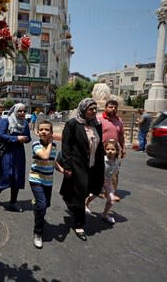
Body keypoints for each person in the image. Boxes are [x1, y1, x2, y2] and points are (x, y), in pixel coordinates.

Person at [58, 98, 104, 241]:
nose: (94, 112)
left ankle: (71, 203)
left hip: (93, 165)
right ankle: (79, 225)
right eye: (91, 109)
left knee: (89, 189)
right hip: (77, 165)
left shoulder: (97, 125)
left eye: (95, 109)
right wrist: (67, 166)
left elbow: (99, 144)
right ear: (83, 109)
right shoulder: (72, 124)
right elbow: (66, 147)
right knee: (80, 194)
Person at [29, 120, 63, 248]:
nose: (44, 131)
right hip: (36, 178)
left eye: (47, 130)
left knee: (45, 204)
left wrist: (62, 170)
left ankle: (36, 204)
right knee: (42, 205)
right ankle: (38, 233)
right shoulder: (36, 144)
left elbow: (52, 160)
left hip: (48, 180)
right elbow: (44, 156)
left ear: (51, 133)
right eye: (41, 129)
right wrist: (49, 143)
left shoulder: (53, 146)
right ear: (37, 132)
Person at [0, 103, 31, 212]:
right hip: (8, 153)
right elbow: (0, 135)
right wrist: (16, 138)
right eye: (20, 111)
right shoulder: (7, 121)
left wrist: (25, 139)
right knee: (6, 175)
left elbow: (28, 138)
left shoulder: (25, 124)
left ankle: (13, 202)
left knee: (17, 178)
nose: (22, 113)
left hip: (19, 153)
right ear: (15, 111)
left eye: (24, 111)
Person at [85, 139, 120, 224]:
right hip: (99, 180)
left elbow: (114, 176)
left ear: (116, 151)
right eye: (108, 149)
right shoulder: (102, 160)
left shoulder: (117, 162)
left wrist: (113, 189)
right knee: (94, 194)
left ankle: (105, 214)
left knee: (111, 200)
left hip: (108, 183)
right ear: (105, 150)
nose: (110, 151)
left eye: (112, 149)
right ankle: (85, 205)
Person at [97, 99, 125, 201]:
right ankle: (98, 190)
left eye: (115, 107)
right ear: (105, 108)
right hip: (101, 151)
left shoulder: (119, 120)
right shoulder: (99, 118)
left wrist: (123, 148)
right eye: (110, 107)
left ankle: (112, 192)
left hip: (115, 151)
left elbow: (121, 135)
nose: (113, 109)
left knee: (114, 172)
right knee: (100, 171)